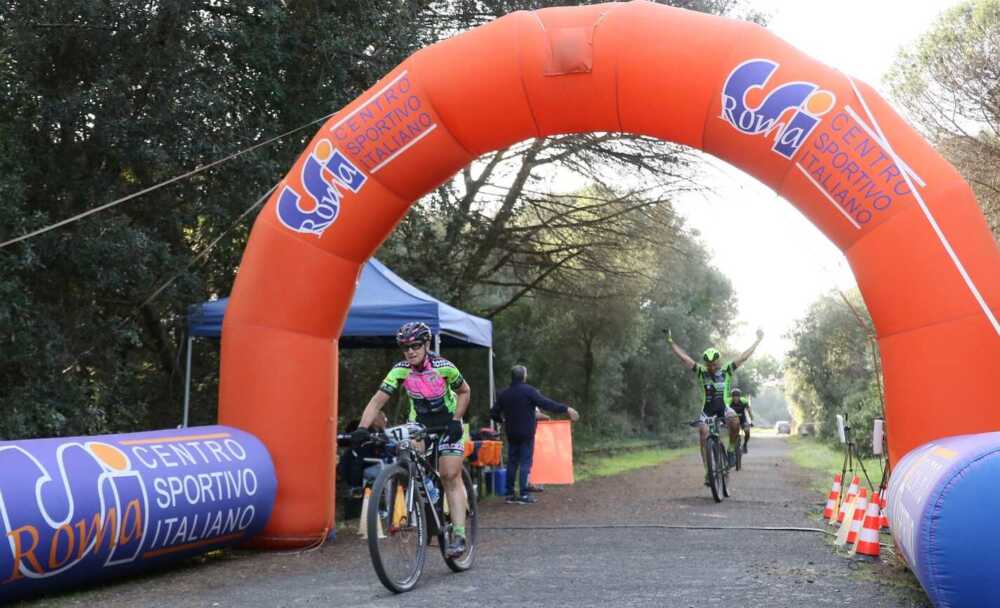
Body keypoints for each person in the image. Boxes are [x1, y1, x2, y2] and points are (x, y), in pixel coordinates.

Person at [353, 321, 471, 557]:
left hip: (448, 422)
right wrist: (362, 428)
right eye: (405, 347)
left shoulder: (443, 366)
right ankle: (427, 503)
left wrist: (457, 419)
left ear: (426, 344)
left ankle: (458, 534)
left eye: (416, 345)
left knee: (449, 475)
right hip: (420, 423)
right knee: (410, 459)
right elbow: (378, 401)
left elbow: (464, 391)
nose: (411, 351)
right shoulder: (400, 370)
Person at [667, 329, 763, 486]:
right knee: (703, 433)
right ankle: (708, 472)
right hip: (707, 410)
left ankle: (732, 449)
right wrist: (671, 342)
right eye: (709, 364)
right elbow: (684, 358)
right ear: (706, 364)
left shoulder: (726, 371)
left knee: (735, 421)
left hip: (723, 407)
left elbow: (743, 357)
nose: (711, 367)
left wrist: (757, 341)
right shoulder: (701, 372)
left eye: (714, 364)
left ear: (719, 362)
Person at [491, 365, 579, 504]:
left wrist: (502, 420)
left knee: (512, 463)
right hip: (526, 433)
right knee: (525, 462)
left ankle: (509, 494)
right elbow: (547, 404)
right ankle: (524, 495)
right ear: (523, 376)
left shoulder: (504, 393)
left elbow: (493, 413)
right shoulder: (529, 391)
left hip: (512, 433)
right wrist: (566, 409)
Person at [729, 388, 753, 454]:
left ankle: (745, 445)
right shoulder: (729, 402)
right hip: (732, 420)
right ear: (732, 397)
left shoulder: (744, 401)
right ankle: (731, 447)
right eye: (734, 396)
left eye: (737, 396)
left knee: (747, 431)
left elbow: (749, 411)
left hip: (742, 419)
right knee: (732, 433)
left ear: (739, 397)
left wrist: (751, 420)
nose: (735, 398)